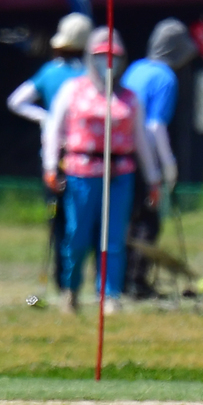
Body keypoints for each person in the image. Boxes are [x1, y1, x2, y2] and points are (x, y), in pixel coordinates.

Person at [42, 27, 161, 315]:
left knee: (114, 238)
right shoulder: (73, 89)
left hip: (120, 173)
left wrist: (154, 178)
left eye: (114, 57)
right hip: (80, 171)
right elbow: (54, 129)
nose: (108, 63)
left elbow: (142, 139)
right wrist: (49, 167)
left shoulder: (130, 97)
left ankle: (109, 294)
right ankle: (70, 291)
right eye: (100, 56)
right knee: (77, 234)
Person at [7, 11, 90, 290]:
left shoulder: (49, 72)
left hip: (54, 158)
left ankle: (60, 280)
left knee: (58, 221)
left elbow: (16, 101)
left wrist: (46, 117)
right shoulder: (88, 76)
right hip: (86, 157)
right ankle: (77, 280)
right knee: (82, 220)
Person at [121, 18, 198, 297]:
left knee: (125, 218)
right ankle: (137, 282)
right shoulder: (166, 77)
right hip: (144, 158)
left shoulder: (135, 68)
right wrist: (167, 167)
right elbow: (155, 127)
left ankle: (116, 279)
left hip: (120, 154)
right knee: (148, 221)